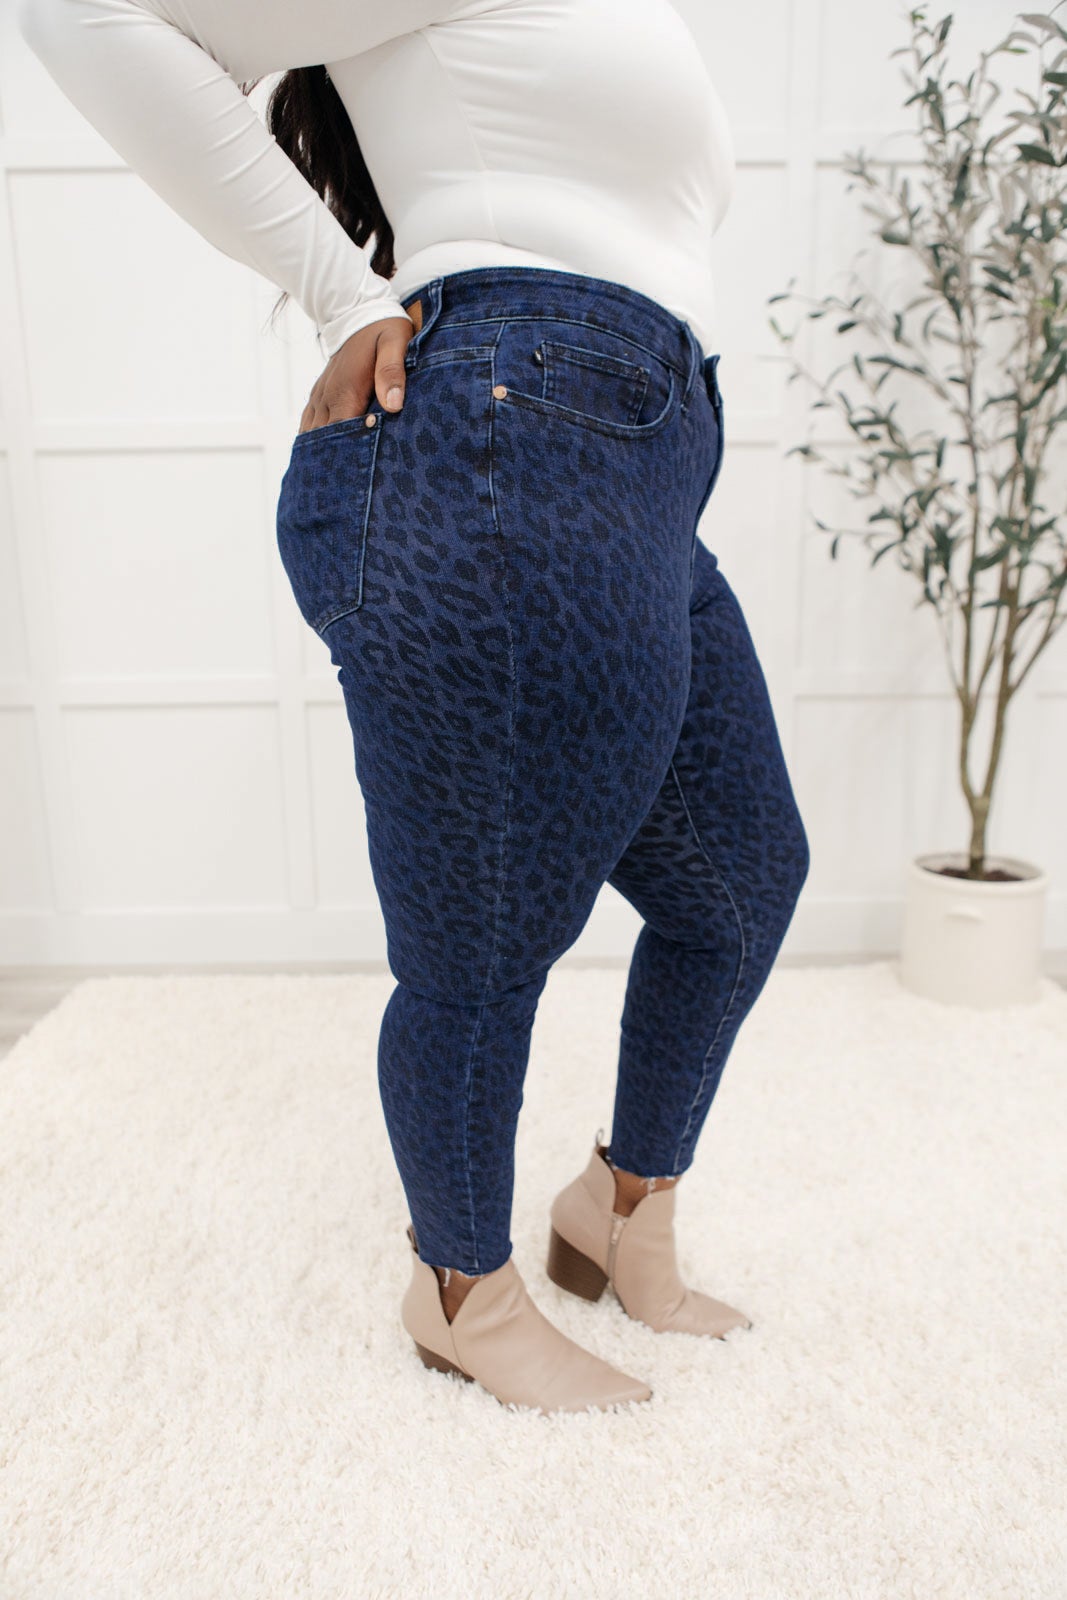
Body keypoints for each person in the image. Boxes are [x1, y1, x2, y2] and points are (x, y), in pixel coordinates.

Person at [19, 0, 811, 1416]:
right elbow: (82, 13)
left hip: (628, 463)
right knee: (484, 931)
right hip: (510, 443)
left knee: (742, 880)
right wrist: (343, 294)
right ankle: (461, 1292)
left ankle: (621, 1212)